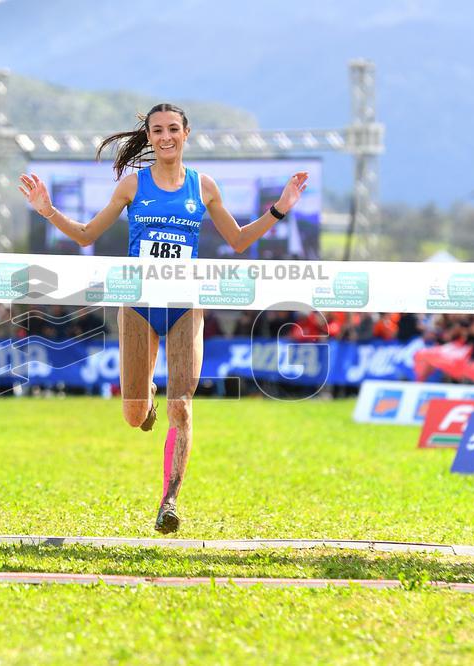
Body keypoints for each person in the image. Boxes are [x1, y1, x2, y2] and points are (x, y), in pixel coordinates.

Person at [18, 103, 308, 533]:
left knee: (183, 405)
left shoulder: (203, 186)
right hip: (137, 305)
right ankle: (145, 400)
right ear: (149, 137)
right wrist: (46, 210)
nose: (166, 136)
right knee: (135, 416)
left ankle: (169, 501)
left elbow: (239, 240)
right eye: (158, 130)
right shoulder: (133, 186)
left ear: (186, 133)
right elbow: (86, 236)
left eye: (174, 128)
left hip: (185, 306)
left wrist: (280, 208)